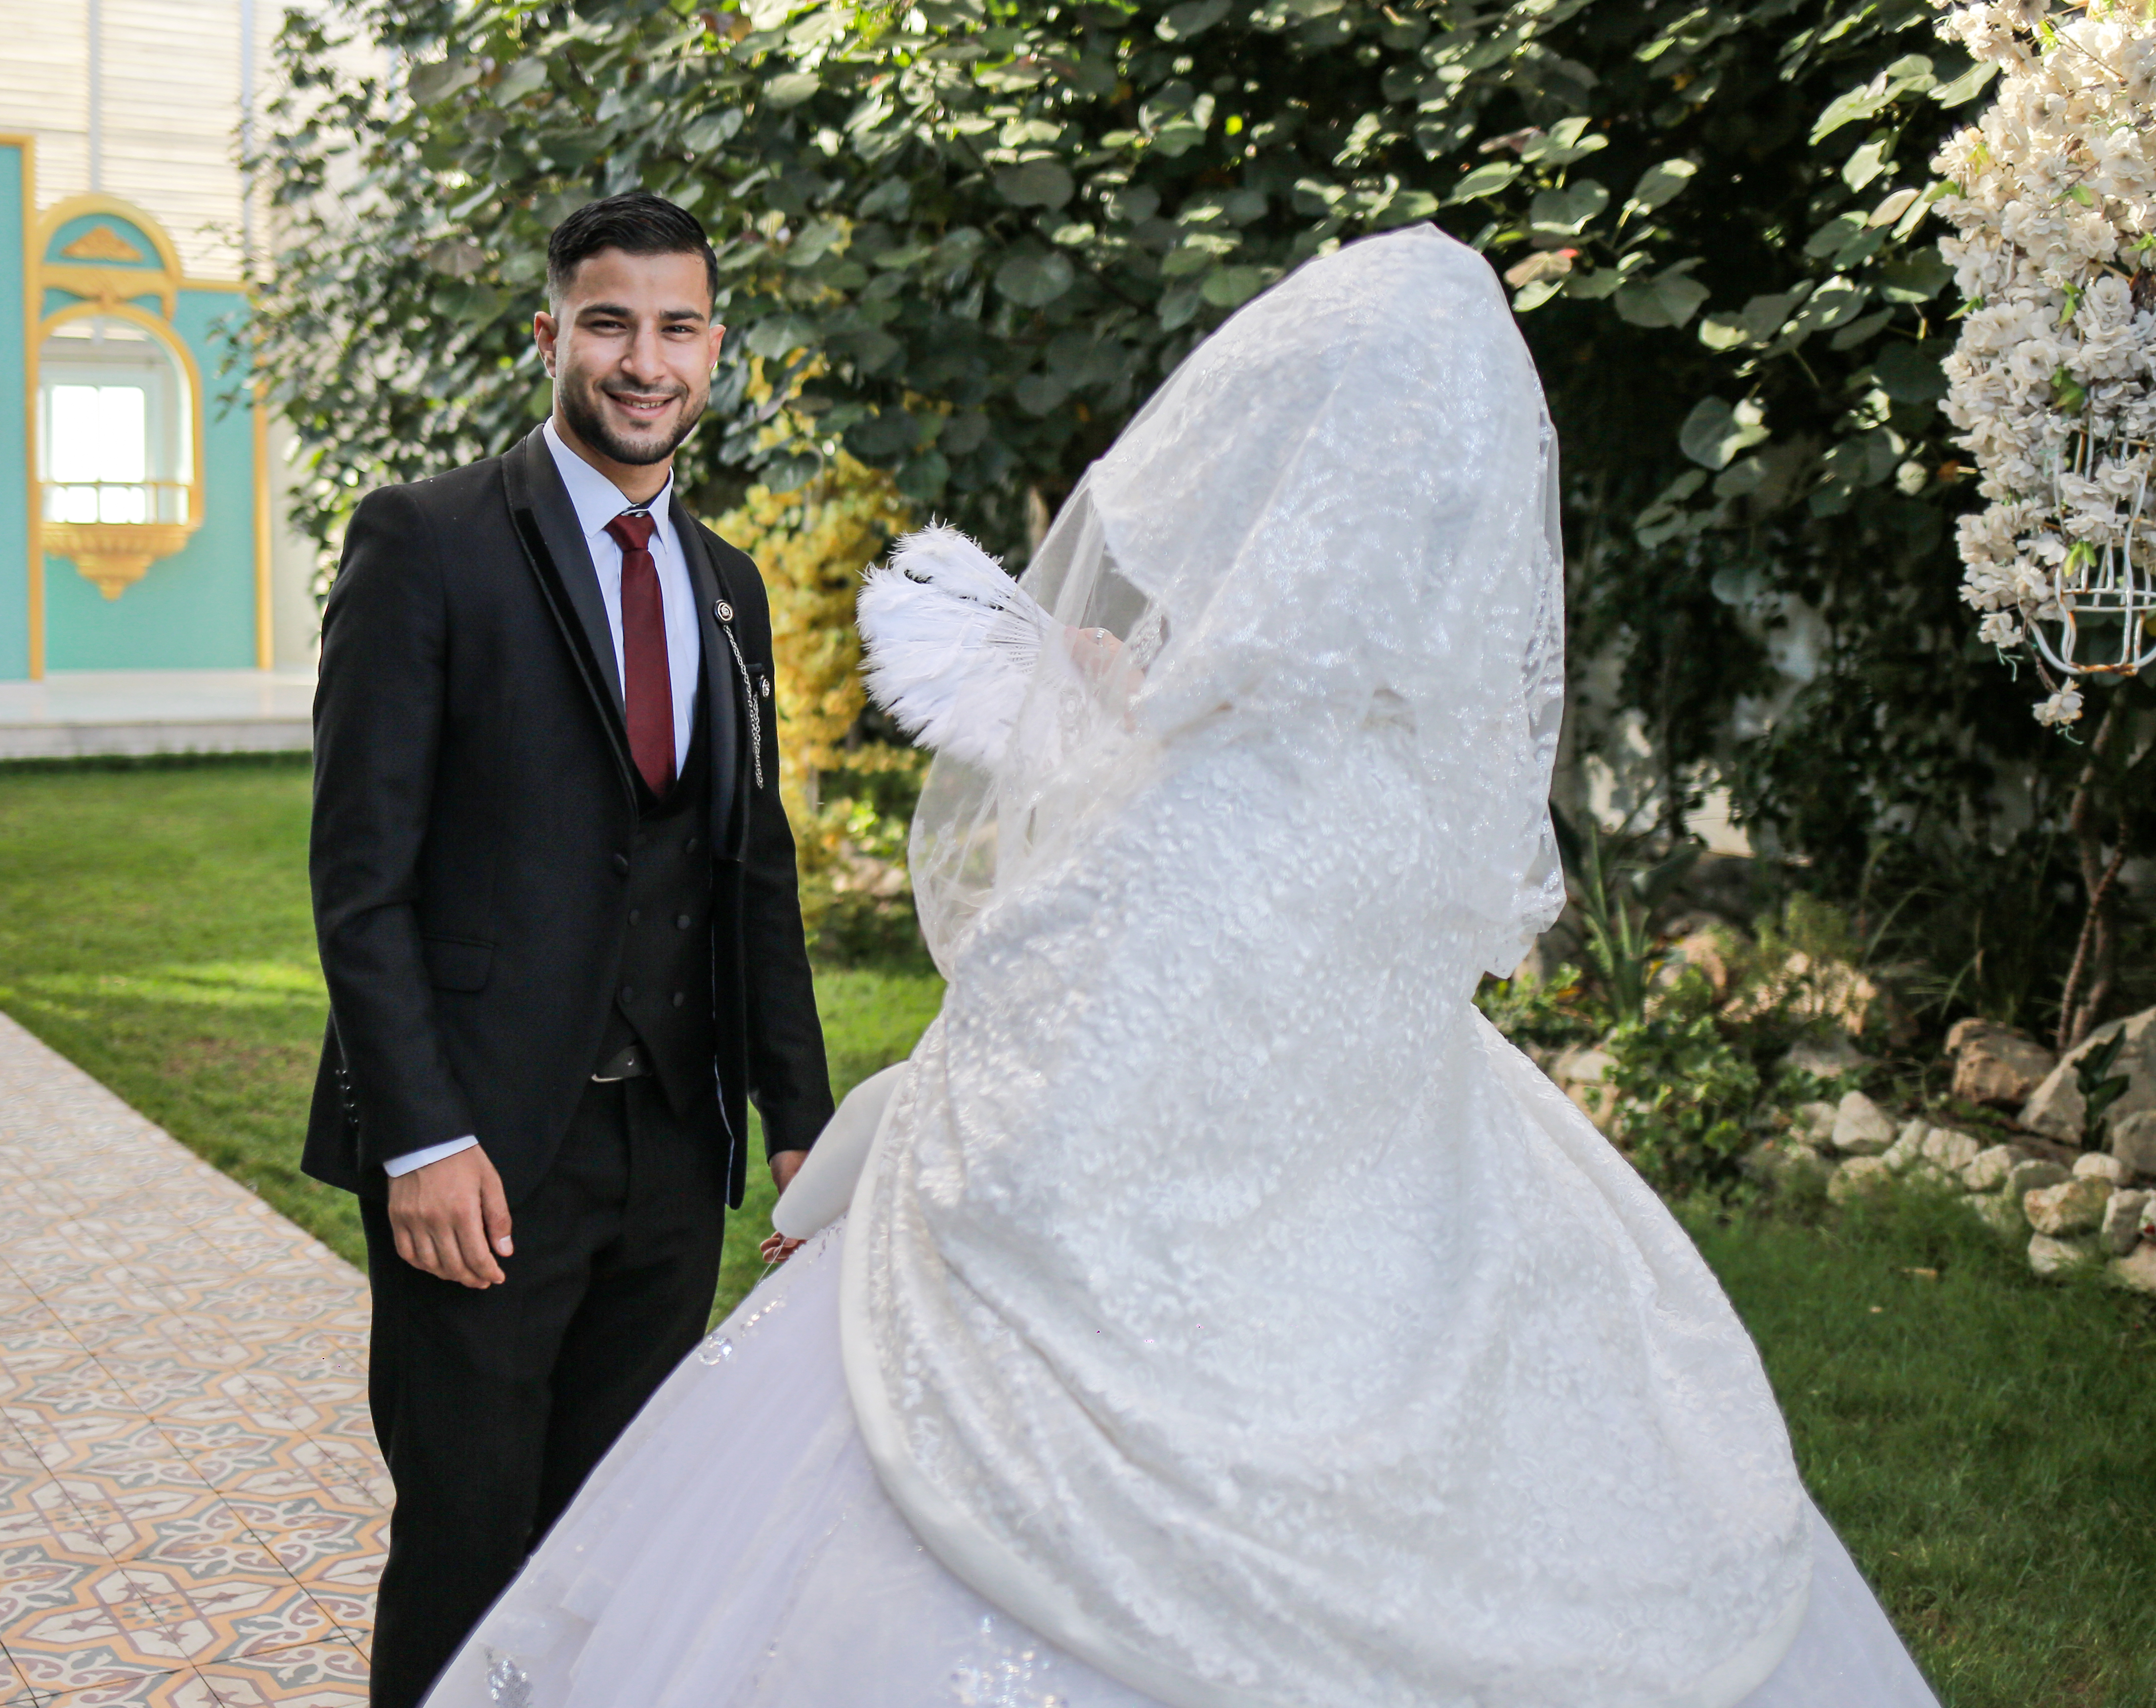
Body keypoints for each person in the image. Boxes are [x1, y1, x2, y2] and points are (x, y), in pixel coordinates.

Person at [417, 226, 1942, 1708]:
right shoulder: (1412, 787)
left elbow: (1033, 1094)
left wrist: (852, 1167)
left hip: (1126, 1342)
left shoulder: (1217, 792)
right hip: (1394, 1263)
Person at [301, 191, 833, 1708]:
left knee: (619, 1552)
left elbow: (750, 869)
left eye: (676, 328)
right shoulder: (425, 541)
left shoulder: (726, 586)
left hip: (667, 1152)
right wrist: (420, 1140)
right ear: (549, 336)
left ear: (714, 351)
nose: (642, 360)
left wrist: (802, 1126)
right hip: (479, 1160)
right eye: (608, 323)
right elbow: (360, 880)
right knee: (468, 1548)